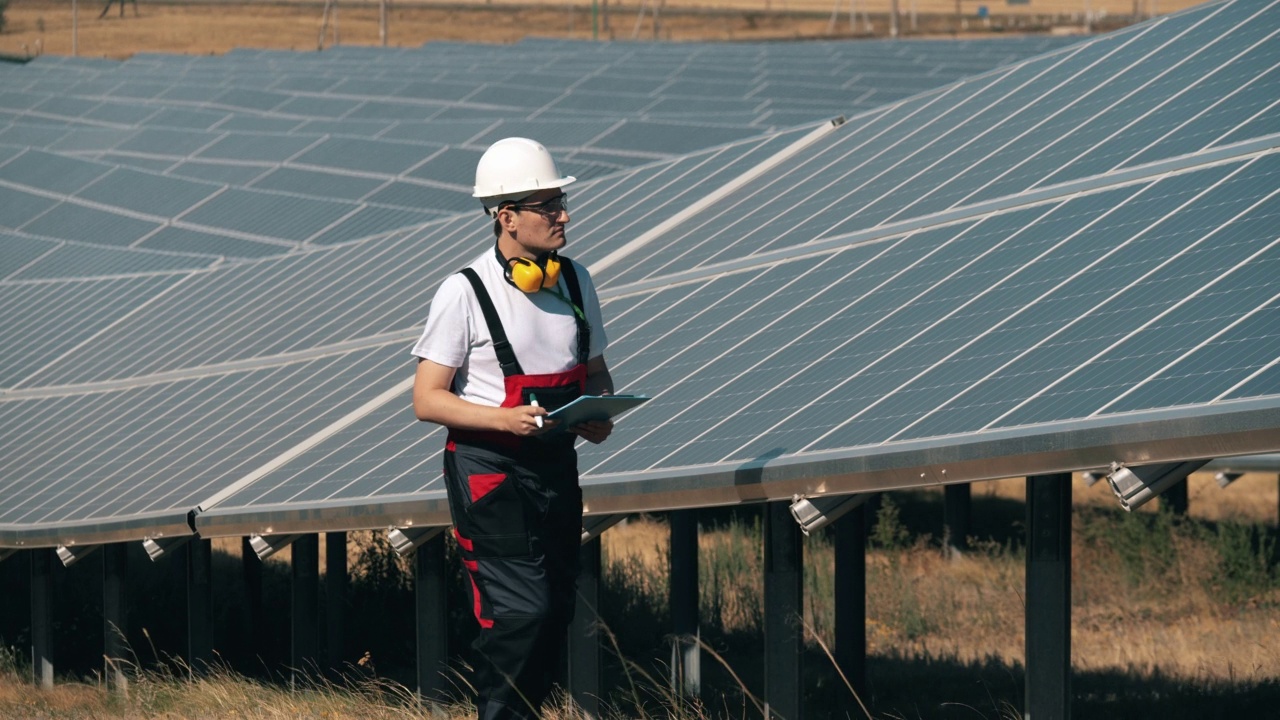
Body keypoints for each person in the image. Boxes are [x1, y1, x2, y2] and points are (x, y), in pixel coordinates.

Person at [411, 137, 614, 720]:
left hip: (556, 468)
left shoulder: (576, 281)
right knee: (517, 613)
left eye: (561, 204)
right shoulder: (464, 292)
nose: (564, 216)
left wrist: (598, 409)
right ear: (507, 218)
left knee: (553, 610)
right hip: (490, 477)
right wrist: (505, 419)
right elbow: (426, 399)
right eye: (549, 206)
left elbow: (596, 372)